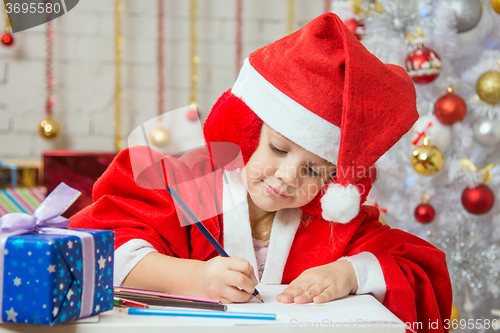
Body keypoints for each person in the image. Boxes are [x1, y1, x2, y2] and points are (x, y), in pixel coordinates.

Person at [70, 12, 452, 332]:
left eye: (313, 170)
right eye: (278, 148)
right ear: (247, 129)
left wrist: (349, 273)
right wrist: (192, 279)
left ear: (334, 182)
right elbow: (98, 247)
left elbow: (417, 272)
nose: (288, 177)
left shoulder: (332, 225)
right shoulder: (184, 185)